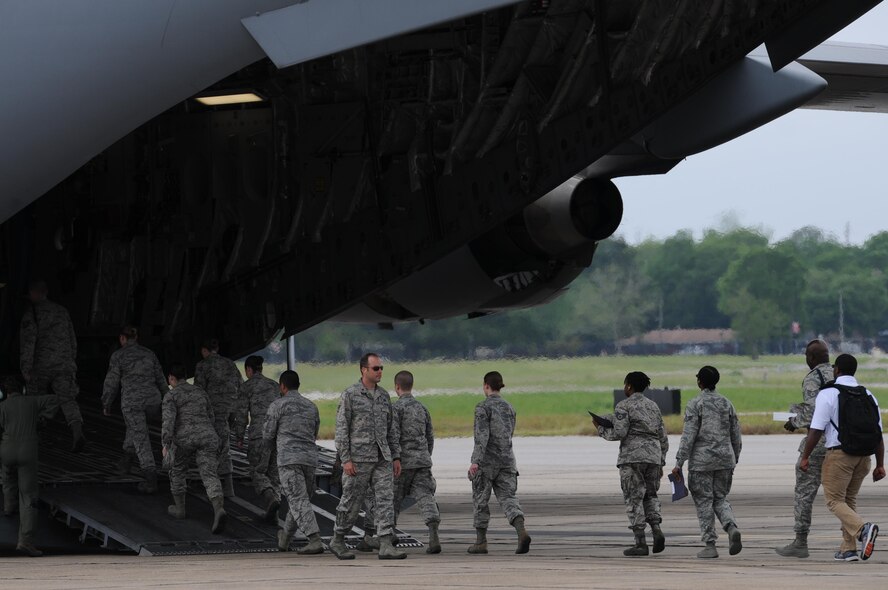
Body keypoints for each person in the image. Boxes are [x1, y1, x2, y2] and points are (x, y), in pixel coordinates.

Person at [800, 353, 884, 562]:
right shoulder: (868, 394)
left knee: (834, 501)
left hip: (840, 456)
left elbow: (816, 429)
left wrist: (805, 456)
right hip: (864, 458)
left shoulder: (828, 394)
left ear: (836, 370)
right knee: (848, 500)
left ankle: (863, 529)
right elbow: (878, 433)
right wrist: (880, 465)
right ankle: (848, 549)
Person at [329, 353, 405, 560]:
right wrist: (345, 459)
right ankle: (338, 539)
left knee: (385, 500)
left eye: (381, 368)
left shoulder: (383, 396)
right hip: (358, 459)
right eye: (376, 368)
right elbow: (342, 429)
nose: (380, 372)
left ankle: (386, 543)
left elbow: (391, 430)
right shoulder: (351, 395)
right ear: (364, 370)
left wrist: (396, 456)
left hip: (382, 457)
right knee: (351, 501)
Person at [672, 365, 742, 559]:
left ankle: (710, 544)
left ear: (699, 382)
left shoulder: (696, 404)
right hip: (725, 459)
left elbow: (689, 436)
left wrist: (679, 462)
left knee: (704, 502)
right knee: (720, 498)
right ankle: (731, 527)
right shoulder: (727, 403)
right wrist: (734, 458)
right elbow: (736, 434)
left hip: (702, 462)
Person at [595, 371, 668, 556]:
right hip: (653, 457)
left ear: (628, 386)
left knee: (634, 498)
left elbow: (620, 433)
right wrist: (661, 462)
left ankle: (640, 542)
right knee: (650, 495)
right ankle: (657, 530)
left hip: (632, 458)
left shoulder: (623, 405)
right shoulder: (653, 406)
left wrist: (601, 428)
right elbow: (663, 436)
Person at [776, 339, 832, 558]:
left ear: (812, 358)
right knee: (841, 496)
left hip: (817, 443)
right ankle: (852, 538)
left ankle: (800, 541)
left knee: (804, 493)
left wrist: (794, 421)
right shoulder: (841, 375)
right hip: (841, 443)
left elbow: (811, 412)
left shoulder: (813, 379)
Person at [467, 371, 531, 555]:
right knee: (509, 499)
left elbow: (482, 437)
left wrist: (475, 462)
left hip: (487, 463)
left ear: (486, 386)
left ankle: (481, 542)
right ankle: (521, 532)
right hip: (507, 460)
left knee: (480, 501)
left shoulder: (482, 408)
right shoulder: (509, 408)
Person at [263, 370, 324, 555]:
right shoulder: (311, 406)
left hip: (289, 460)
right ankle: (285, 539)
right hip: (309, 460)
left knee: (297, 499)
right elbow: (314, 433)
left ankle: (314, 539)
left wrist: (268, 456)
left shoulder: (277, 406)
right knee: (299, 500)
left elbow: (267, 436)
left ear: (282, 386)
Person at [19, 280, 85, 452]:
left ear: (34, 293)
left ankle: (36, 436)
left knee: (36, 400)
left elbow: (28, 343)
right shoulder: (62, 311)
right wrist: (70, 361)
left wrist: (26, 368)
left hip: (41, 366)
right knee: (68, 399)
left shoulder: (32, 313)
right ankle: (77, 432)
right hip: (64, 364)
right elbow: (73, 340)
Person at [161, 363, 227, 534]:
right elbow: (211, 416)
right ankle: (218, 508)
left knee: (177, 470)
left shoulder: (171, 395)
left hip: (184, 438)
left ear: (171, 378)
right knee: (210, 474)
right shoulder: (200, 392)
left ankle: (180, 509)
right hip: (207, 435)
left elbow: (168, 422)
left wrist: (166, 444)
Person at [101, 326, 167, 494]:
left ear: (122, 338)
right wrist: (168, 399)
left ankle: (150, 476)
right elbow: (160, 378)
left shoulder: (118, 356)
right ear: (136, 338)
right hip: (153, 402)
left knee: (140, 437)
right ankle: (125, 461)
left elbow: (111, 382)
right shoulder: (149, 353)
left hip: (133, 403)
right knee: (135, 428)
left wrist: (106, 402)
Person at [0, 374, 58, 557]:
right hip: (27, 451)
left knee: (7, 475)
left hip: (7, 449)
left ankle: (9, 506)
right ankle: (26, 541)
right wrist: (43, 418)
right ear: (23, 390)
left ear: (4, 392)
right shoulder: (32, 402)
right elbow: (55, 400)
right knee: (28, 495)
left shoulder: (2, 406)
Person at [391, 370, 441, 554]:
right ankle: (433, 531)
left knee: (392, 500)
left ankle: (389, 534)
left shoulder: (395, 409)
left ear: (397, 387)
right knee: (426, 497)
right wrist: (425, 456)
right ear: (411, 386)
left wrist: (394, 458)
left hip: (402, 463)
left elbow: (393, 436)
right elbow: (430, 436)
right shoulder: (422, 408)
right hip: (422, 461)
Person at [194, 338, 243, 498]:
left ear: (204, 350)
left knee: (213, 447)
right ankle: (225, 485)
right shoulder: (230, 363)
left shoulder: (202, 365)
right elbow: (241, 385)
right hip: (230, 409)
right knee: (223, 442)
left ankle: (222, 487)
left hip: (214, 411)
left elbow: (199, 391)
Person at [235, 355, 281, 521]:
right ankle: (273, 516)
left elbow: (241, 414)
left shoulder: (247, 387)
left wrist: (239, 436)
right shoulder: (275, 385)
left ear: (249, 370)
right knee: (274, 475)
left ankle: (270, 497)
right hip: (277, 436)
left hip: (258, 436)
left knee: (257, 471)